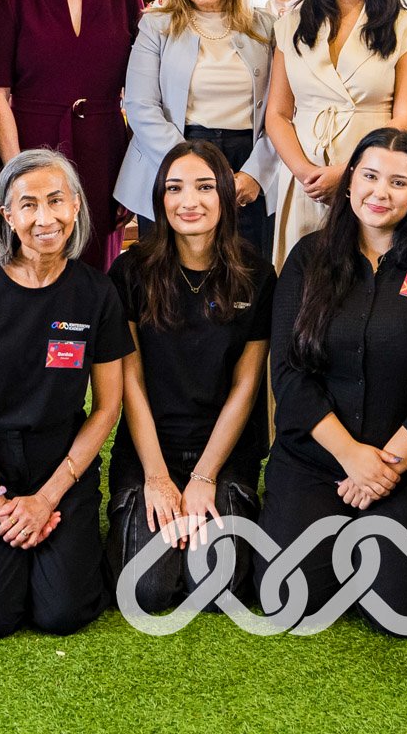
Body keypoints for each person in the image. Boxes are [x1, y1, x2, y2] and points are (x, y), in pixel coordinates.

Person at [264, 129, 407, 633]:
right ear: (350, 181)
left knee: (401, 607)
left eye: (398, 182)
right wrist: (351, 456)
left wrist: (385, 466)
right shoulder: (307, 258)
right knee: (292, 599)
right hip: (317, 460)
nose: (381, 192)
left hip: (406, 466)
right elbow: (288, 373)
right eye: (370, 176)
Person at [0, 149, 132, 638]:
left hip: (61, 461)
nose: (44, 218)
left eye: (56, 201)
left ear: (76, 208)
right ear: (6, 215)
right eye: (27, 205)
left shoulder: (96, 292)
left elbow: (107, 406)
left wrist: (46, 499)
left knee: (62, 615)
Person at [106, 142, 273, 613]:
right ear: (159, 198)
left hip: (221, 456)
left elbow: (246, 386)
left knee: (215, 587)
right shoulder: (131, 271)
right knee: (148, 590)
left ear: (224, 194)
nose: (189, 201)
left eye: (204, 187)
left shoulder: (257, 274)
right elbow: (130, 382)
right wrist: (157, 476)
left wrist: (205, 476)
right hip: (149, 453)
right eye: (175, 188)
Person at [0, 0, 144, 271]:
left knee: (96, 267)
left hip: (103, 150)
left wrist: (131, 174)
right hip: (31, 144)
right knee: (31, 258)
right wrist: (18, 169)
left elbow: (142, 94)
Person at [265, 0, 407, 267]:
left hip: (375, 179)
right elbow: (277, 113)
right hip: (304, 176)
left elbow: (406, 123)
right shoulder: (290, 24)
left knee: (365, 277)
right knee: (303, 282)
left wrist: (348, 175)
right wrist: (305, 173)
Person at [118, 0, 278, 259]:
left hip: (246, 162)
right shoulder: (156, 24)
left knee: (246, 274)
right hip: (172, 157)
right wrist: (192, 172)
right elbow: (140, 106)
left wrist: (255, 173)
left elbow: (283, 111)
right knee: (169, 278)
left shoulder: (267, 27)